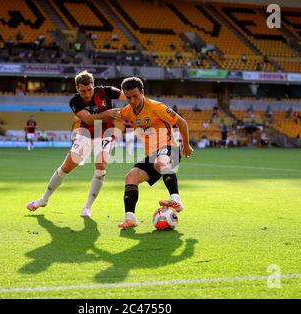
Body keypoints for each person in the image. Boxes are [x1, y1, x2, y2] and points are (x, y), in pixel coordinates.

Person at [26, 70, 126, 217]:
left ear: (94, 85)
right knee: (65, 168)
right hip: (85, 136)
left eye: (90, 89)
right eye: (83, 90)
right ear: (77, 88)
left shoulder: (107, 91)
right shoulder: (74, 101)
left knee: (101, 167)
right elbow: (89, 120)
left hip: (106, 135)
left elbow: (130, 97)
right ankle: (43, 199)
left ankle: (87, 207)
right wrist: (108, 113)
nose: (87, 94)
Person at [117, 77, 194, 228]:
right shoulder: (127, 111)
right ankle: (130, 217)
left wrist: (186, 145)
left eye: (135, 96)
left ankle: (176, 199)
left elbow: (181, 122)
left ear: (142, 92)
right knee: (130, 176)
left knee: (161, 162)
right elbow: (112, 115)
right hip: (151, 155)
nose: (132, 100)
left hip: (169, 148)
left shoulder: (156, 107)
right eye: (128, 97)